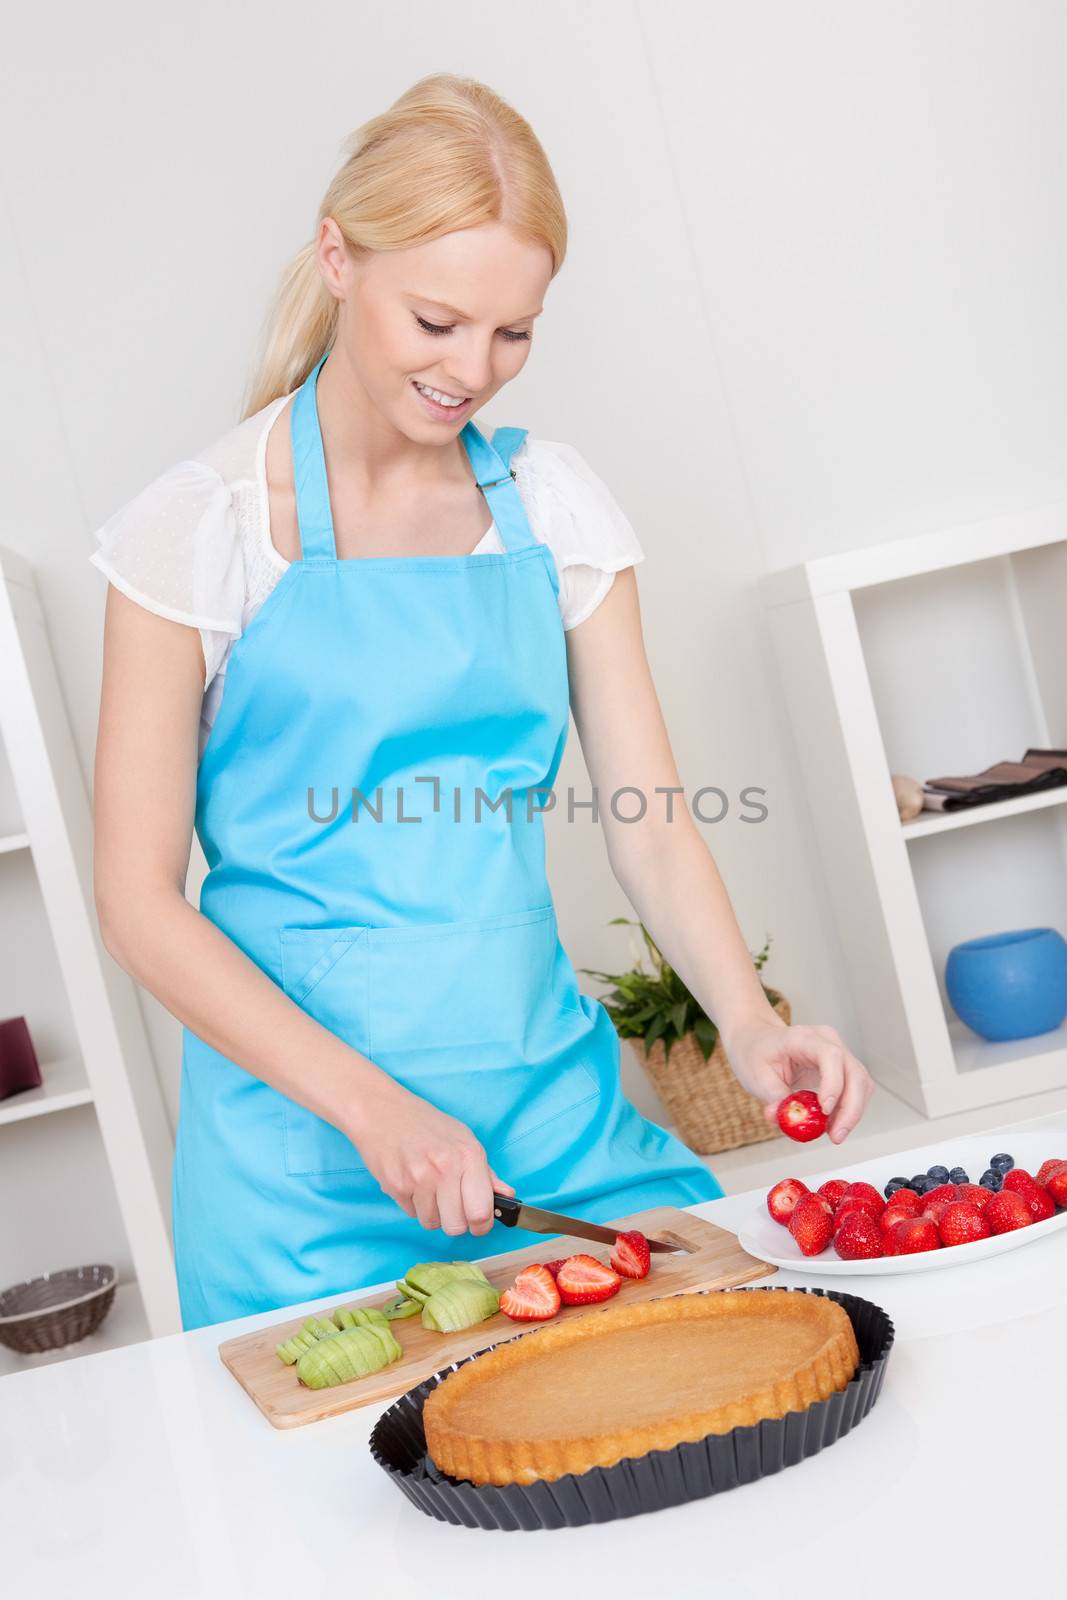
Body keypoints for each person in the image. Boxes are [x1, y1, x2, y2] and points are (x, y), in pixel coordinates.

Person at [90, 73, 874, 1331]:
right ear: (337, 259)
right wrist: (371, 1109)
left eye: (513, 334)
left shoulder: (551, 507)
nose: (473, 372)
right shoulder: (200, 529)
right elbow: (136, 904)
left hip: (550, 1123)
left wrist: (745, 1019)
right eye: (438, 322)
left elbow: (651, 820)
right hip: (303, 1164)